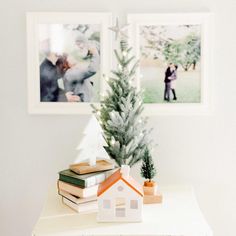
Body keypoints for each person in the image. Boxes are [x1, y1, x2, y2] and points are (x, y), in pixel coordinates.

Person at [63, 36, 100, 102]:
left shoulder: (74, 69)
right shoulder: (70, 74)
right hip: (80, 106)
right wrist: (95, 53)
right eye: (70, 55)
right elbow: (92, 69)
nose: (73, 55)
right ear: (66, 61)